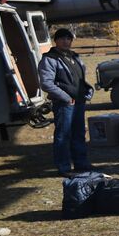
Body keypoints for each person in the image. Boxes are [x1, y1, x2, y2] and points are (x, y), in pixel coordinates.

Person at [38, 27, 94, 177]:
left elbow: (79, 78)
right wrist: (66, 98)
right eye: (62, 38)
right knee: (63, 135)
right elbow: (46, 83)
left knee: (79, 134)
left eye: (68, 39)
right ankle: (64, 167)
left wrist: (87, 90)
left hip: (79, 101)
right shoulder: (50, 58)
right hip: (64, 103)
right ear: (55, 41)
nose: (66, 41)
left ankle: (81, 164)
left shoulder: (74, 57)